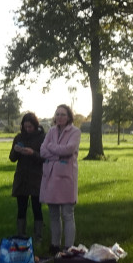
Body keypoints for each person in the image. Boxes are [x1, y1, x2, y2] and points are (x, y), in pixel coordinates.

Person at [39, 104, 80, 252]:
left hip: (66, 178)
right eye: (57, 114)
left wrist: (52, 148)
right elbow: (42, 151)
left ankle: (69, 247)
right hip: (50, 177)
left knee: (67, 214)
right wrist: (58, 155)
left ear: (69, 117)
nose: (59, 117)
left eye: (63, 114)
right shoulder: (51, 131)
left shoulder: (75, 132)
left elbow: (69, 150)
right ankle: (55, 245)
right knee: (53, 214)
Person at [9, 112, 45, 241]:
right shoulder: (19, 137)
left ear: (35, 125)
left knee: (37, 207)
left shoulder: (42, 138)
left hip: (36, 177)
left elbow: (45, 157)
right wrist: (16, 150)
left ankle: (38, 236)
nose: (28, 129)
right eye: (25, 127)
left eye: (30, 126)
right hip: (22, 177)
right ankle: (21, 234)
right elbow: (12, 158)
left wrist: (33, 153)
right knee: (21, 207)